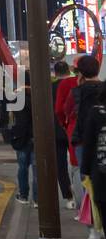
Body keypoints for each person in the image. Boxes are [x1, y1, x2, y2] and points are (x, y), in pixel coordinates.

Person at [70, 55, 105, 239]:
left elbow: (65, 112)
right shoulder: (103, 88)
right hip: (103, 140)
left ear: (81, 72)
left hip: (84, 141)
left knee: (87, 184)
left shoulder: (78, 92)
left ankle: (93, 229)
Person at [80, 92, 106, 239]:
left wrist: (86, 170)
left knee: (102, 202)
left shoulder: (96, 113)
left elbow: (88, 142)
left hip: (101, 168)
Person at [50, 61, 75, 209]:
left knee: (61, 165)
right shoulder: (75, 84)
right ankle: (80, 194)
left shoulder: (50, 87)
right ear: (68, 70)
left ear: (55, 73)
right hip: (73, 128)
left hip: (56, 129)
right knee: (77, 163)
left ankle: (68, 197)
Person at [10, 87, 37, 205]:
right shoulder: (37, 102)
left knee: (22, 168)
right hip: (35, 138)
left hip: (22, 140)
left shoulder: (17, 104)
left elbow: (14, 122)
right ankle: (37, 199)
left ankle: (23, 195)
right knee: (36, 171)